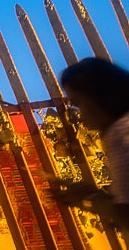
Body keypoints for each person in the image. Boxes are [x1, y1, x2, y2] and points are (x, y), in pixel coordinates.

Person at [55, 56, 129, 233]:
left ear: (103, 95)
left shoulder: (120, 133)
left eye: (78, 102)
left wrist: (88, 198)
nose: (79, 114)